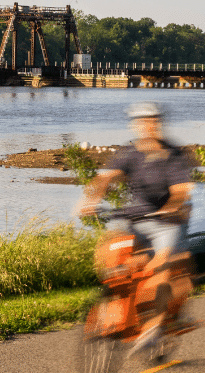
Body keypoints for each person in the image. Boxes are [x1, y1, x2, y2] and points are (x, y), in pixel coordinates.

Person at [77, 101, 194, 355]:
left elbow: (181, 191)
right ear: (136, 126)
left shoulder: (174, 156)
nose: (147, 126)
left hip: (167, 223)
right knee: (112, 253)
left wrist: (172, 206)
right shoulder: (130, 154)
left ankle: (153, 328)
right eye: (142, 122)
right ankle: (114, 304)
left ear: (158, 123)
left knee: (159, 267)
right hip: (136, 221)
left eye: (152, 121)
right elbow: (106, 177)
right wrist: (92, 199)